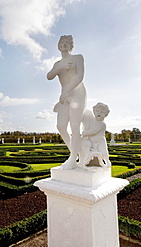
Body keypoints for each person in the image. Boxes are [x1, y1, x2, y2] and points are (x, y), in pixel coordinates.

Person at [47, 35, 87, 169]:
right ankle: (76, 153)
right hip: (65, 95)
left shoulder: (78, 58)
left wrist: (66, 91)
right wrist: (61, 67)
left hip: (78, 93)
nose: (64, 44)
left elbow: (80, 76)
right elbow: (49, 76)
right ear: (59, 46)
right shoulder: (57, 64)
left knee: (75, 126)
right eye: (61, 43)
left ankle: (73, 159)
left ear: (71, 46)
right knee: (61, 126)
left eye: (67, 42)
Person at [80, 103, 111, 167]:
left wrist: (84, 133)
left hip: (100, 141)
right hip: (91, 141)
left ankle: (107, 161)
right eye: (97, 111)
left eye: (102, 112)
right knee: (85, 144)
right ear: (94, 111)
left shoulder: (102, 124)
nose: (99, 113)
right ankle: (87, 156)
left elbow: (94, 131)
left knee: (104, 152)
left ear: (106, 114)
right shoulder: (92, 120)